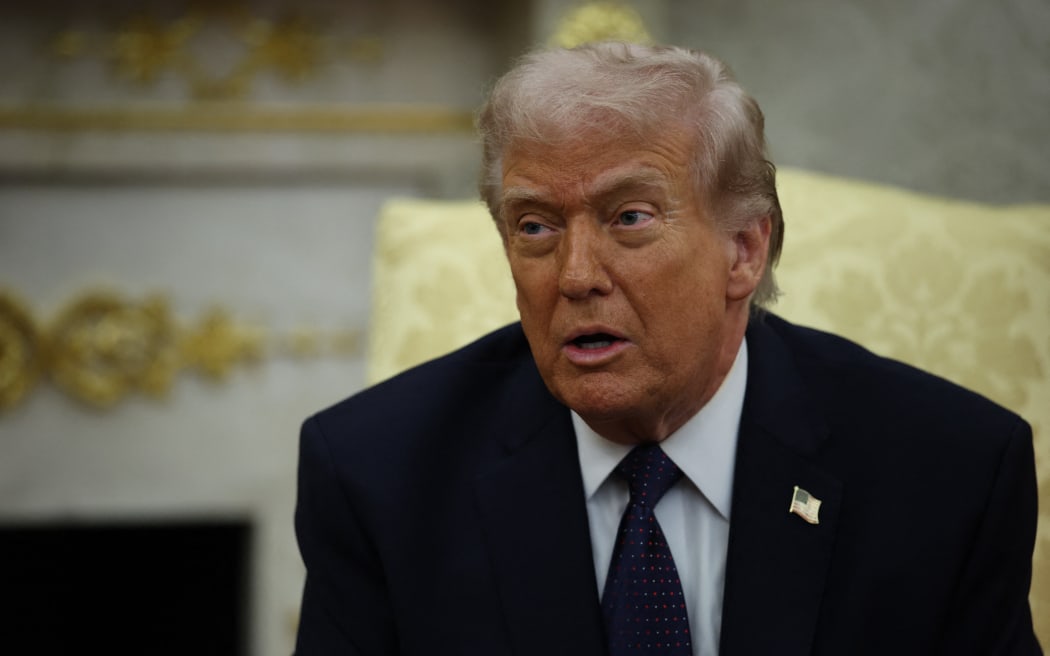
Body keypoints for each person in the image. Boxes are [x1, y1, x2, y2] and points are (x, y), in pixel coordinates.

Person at [293, 42, 1041, 655]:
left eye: (630, 218)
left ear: (744, 251)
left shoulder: (948, 474)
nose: (577, 276)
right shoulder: (377, 477)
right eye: (534, 227)